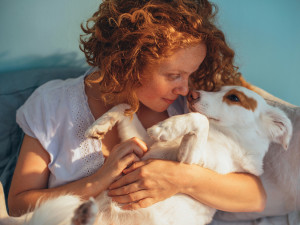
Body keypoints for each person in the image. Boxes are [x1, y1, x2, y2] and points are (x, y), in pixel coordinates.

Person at [8, 0, 266, 219]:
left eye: (190, 74)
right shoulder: (52, 105)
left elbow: (255, 196)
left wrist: (180, 178)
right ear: (128, 62)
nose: (185, 89)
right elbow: (18, 205)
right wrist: (97, 181)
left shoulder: (189, 110)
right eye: (174, 75)